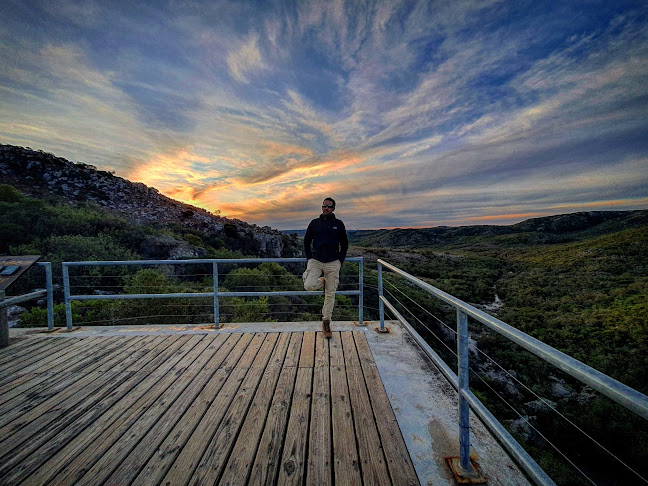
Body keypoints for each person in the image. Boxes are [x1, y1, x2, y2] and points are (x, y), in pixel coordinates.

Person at [303, 197, 348, 338]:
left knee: (330, 293)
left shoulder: (338, 224)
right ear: (322, 207)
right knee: (308, 285)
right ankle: (322, 281)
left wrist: (339, 261)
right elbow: (306, 240)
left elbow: (344, 244)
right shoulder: (314, 223)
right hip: (316, 260)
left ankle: (326, 322)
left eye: (329, 206)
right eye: (324, 206)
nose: (326, 208)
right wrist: (309, 257)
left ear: (333, 208)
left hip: (333, 262)